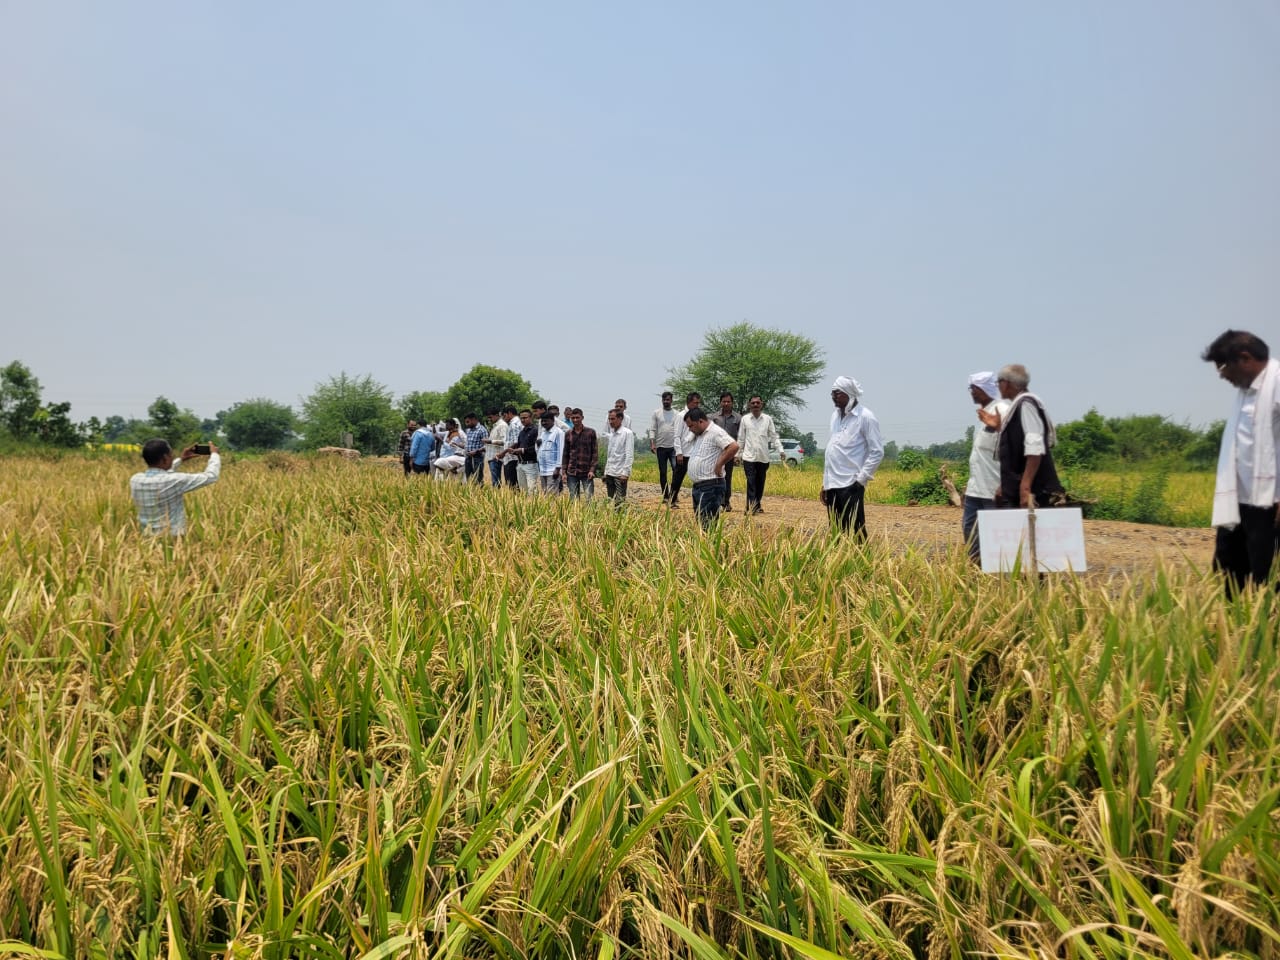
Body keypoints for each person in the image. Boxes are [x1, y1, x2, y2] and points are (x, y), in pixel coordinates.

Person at [1202, 330, 1280, 592]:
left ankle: (1265, 630)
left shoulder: (1278, 382)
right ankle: (1231, 629)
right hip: (1238, 503)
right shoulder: (1247, 393)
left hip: (1270, 505)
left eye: (1222, 367)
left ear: (1244, 358)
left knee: (1264, 577)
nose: (1222, 375)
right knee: (1228, 574)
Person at [995, 365, 1066, 509]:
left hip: (1036, 492)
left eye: (999, 381)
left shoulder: (1026, 405)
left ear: (1006, 383)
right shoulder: (1020, 406)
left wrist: (1025, 488)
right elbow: (1017, 456)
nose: (998, 386)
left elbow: (1035, 447)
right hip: (1017, 490)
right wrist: (1004, 485)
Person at [821, 376, 884, 539]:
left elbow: (877, 451)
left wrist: (861, 480)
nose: (833, 397)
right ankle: (837, 562)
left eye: (837, 393)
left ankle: (862, 561)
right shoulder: (834, 416)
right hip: (832, 484)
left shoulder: (866, 417)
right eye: (832, 393)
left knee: (857, 529)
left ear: (849, 394)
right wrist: (825, 484)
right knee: (835, 530)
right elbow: (832, 449)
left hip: (851, 484)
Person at [961, 372, 1010, 561]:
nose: (972, 393)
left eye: (975, 389)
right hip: (976, 490)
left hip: (994, 490)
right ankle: (977, 576)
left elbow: (1014, 444)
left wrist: (1004, 484)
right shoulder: (983, 413)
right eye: (971, 388)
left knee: (996, 538)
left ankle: (1001, 578)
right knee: (970, 533)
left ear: (985, 389)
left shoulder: (1001, 409)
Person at [130, 439, 222, 536]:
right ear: (165, 458)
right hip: (173, 540)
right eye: (171, 455)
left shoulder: (135, 479)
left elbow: (162, 473)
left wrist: (181, 459)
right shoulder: (175, 480)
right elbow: (211, 476)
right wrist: (214, 455)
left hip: (146, 539)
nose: (172, 457)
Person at [682, 407, 738, 529]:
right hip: (699, 486)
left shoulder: (715, 432)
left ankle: (710, 547)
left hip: (711, 486)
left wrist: (719, 464)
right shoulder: (700, 434)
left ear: (701, 421)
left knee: (708, 524)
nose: (690, 429)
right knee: (701, 522)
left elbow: (733, 447)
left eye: (691, 426)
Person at [737, 395, 782, 515]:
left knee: (760, 482)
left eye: (757, 403)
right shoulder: (745, 419)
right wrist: (738, 454)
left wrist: (781, 450)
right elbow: (741, 438)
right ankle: (750, 507)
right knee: (751, 482)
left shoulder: (767, 419)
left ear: (761, 404)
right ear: (749, 405)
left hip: (763, 457)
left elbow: (773, 436)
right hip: (749, 457)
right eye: (753, 403)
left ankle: (756, 504)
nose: (755, 405)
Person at [670, 391, 702, 507]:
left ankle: (698, 502)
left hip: (695, 453)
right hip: (683, 453)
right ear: (688, 402)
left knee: (697, 478)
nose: (697, 405)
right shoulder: (680, 416)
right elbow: (677, 436)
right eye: (695, 403)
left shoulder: (698, 416)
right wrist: (679, 453)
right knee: (678, 478)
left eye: (698, 403)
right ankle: (672, 500)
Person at [711, 393, 742, 511]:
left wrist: (737, 455)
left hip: (730, 452)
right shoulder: (714, 418)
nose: (726, 404)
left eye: (728, 401)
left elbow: (741, 437)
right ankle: (716, 501)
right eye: (724, 401)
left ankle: (726, 502)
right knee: (715, 476)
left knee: (727, 477)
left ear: (732, 403)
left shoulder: (738, 418)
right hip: (716, 452)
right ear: (720, 402)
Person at [562, 407, 598, 500]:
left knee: (589, 498)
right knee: (573, 498)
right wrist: (564, 472)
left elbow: (594, 452)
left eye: (577, 417)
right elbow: (565, 454)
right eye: (573, 418)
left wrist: (592, 470)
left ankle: (589, 514)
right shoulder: (568, 434)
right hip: (572, 472)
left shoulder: (591, 432)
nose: (575, 420)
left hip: (586, 471)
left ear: (582, 417)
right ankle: (574, 515)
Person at [650, 391, 678, 504]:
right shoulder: (656, 413)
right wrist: (652, 443)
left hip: (674, 447)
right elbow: (652, 429)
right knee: (663, 472)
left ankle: (674, 494)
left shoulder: (677, 414)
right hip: (661, 447)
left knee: (676, 470)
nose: (666, 402)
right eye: (664, 400)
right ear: (662, 400)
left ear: (672, 400)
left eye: (668, 400)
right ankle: (665, 496)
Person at [603, 407, 634, 507]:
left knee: (619, 501)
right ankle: (611, 520)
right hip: (610, 473)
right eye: (609, 419)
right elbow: (610, 455)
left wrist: (625, 473)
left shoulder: (627, 433)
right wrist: (606, 472)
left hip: (620, 474)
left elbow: (629, 455)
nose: (610, 422)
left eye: (613, 419)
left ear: (620, 419)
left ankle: (619, 520)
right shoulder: (612, 435)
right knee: (610, 499)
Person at [505, 409, 540, 494]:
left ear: (531, 417)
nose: (523, 420)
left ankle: (534, 507)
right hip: (520, 464)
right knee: (523, 491)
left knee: (532, 491)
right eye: (521, 418)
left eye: (525, 418)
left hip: (531, 464)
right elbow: (520, 446)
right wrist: (513, 451)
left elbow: (537, 447)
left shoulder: (536, 430)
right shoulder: (522, 432)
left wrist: (522, 450)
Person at [536, 410, 565, 493]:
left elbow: (561, 450)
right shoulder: (543, 433)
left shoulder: (558, 432)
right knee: (545, 495)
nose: (544, 423)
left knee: (551, 496)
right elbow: (540, 449)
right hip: (543, 470)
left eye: (546, 420)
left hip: (553, 470)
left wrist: (558, 468)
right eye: (542, 421)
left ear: (552, 420)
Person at [484, 407, 508, 488]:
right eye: (488, 417)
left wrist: (490, 441)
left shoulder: (502, 426)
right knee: (495, 480)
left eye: (490, 417)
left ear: (497, 415)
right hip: (492, 457)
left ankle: (497, 497)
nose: (489, 419)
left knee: (496, 481)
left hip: (496, 457)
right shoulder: (495, 426)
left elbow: (504, 442)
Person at [463, 413, 488, 484]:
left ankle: (479, 494)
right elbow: (468, 444)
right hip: (468, 457)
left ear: (474, 420)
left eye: (468, 422)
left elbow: (486, 446)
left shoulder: (482, 430)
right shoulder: (469, 430)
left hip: (477, 458)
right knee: (469, 479)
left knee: (478, 478)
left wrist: (476, 451)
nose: (466, 424)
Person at [499, 406, 520, 488]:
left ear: (510, 413)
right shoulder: (516, 423)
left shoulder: (514, 424)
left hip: (512, 458)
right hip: (512, 457)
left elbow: (516, 442)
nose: (503, 418)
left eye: (504, 416)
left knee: (512, 484)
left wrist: (503, 453)